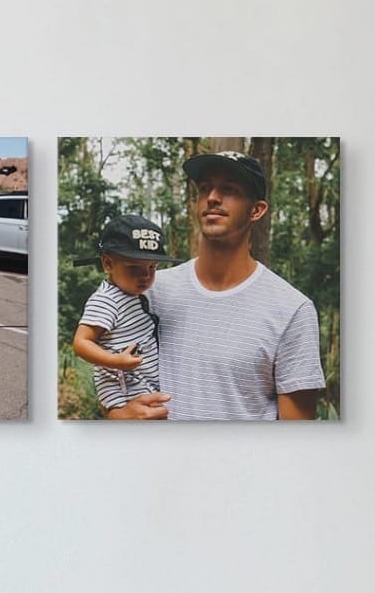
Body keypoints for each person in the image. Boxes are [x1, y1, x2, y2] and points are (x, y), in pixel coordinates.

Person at [109, 151, 325, 420]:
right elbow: (108, 367)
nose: (212, 197)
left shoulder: (292, 309)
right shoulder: (150, 290)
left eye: (229, 189)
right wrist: (116, 414)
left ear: (256, 210)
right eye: (204, 189)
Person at [72, 215, 180, 412]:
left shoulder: (131, 293)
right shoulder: (106, 300)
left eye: (152, 267)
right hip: (124, 387)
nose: (146, 276)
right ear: (108, 264)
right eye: (134, 268)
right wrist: (115, 361)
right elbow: (81, 343)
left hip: (142, 379)